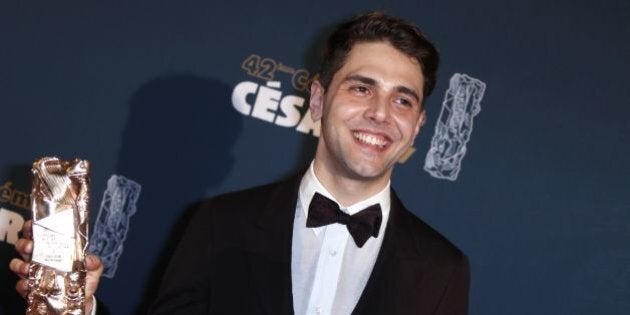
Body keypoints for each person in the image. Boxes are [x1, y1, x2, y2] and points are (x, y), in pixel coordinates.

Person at [11, 11, 469, 314]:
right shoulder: (219, 224)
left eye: (403, 100)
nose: (380, 114)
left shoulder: (442, 270)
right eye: (362, 87)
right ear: (318, 99)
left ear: (419, 124)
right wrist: (81, 306)